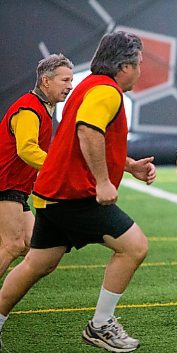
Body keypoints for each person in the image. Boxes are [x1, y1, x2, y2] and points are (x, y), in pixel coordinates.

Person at [0, 31, 156, 353]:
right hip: (74, 195)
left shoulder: (89, 87)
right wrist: (102, 181)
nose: (141, 72)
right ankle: (101, 325)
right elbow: (87, 130)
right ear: (124, 66)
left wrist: (128, 166)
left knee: (36, 264)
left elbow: (77, 140)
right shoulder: (106, 91)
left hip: (51, 194)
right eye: (139, 64)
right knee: (134, 246)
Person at [0, 54, 73, 279]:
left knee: (32, 245)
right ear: (46, 81)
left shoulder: (42, 107)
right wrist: (60, 168)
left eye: (71, 81)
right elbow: (27, 149)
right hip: (6, 185)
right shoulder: (29, 109)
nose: (70, 86)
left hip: (16, 188)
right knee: (13, 245)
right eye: (65, 80)